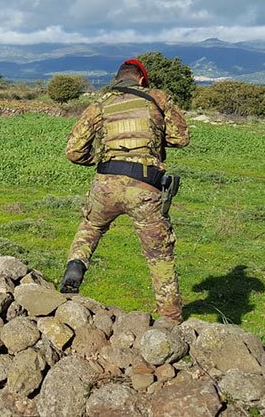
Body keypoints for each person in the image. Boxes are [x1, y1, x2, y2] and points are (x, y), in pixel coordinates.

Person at [59, 58, 190, 323]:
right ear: (141, 80)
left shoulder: (100, 105)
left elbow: (73, 151)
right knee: (159, 256)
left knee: (91, 228)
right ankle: (171, 321)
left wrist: (101, 160)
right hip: (144, 185)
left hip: (105, 183)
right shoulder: (157, 99)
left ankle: (75, 267)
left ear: (118, 79)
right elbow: (181, 138)